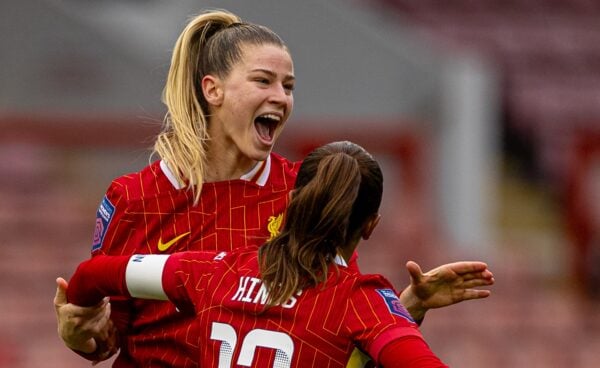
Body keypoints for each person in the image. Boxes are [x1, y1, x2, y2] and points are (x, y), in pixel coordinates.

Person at [53, 9, 494, 367]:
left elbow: (335, 331)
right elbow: (107, 334)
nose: (281, 97)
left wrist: (408, 306)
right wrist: (82, 335)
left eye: (289, 86)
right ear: (213, 90)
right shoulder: (134, 198)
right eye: (263, 81)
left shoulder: (305, 192)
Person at [66, 141, 449, 367]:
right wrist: (407, 309)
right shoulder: (360, 301)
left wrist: (81, 307)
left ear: (293, 201)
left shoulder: (213, 270)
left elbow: (94, 274)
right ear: (371, 225)